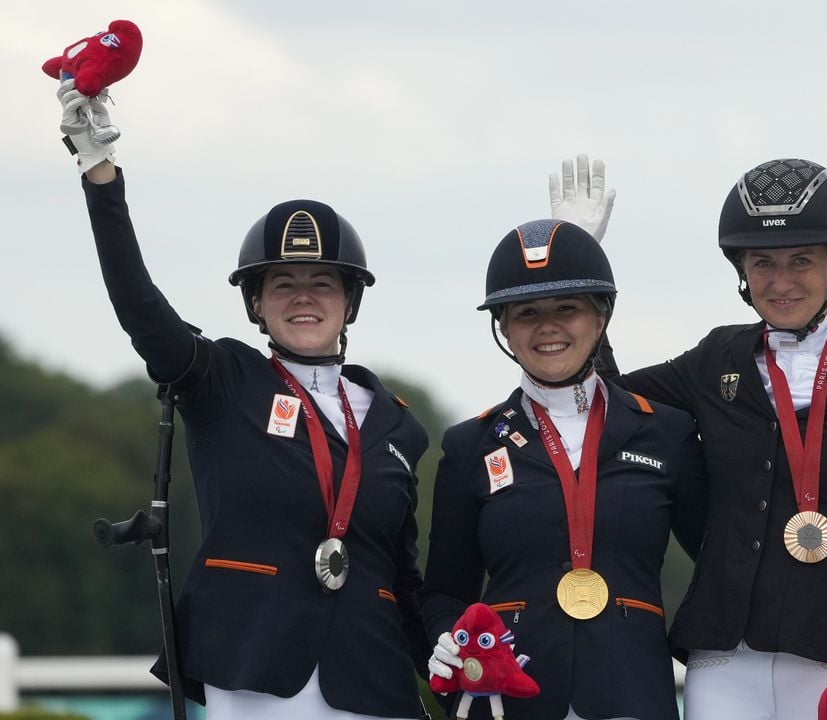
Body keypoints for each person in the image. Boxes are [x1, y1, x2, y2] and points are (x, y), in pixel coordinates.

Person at [57, 81, 431, 719]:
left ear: (351, 302)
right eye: (282, 284)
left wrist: (460, 660)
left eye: (323, 283)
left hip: (373, 679)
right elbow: (143, 311)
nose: (304, 297)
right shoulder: (225, 380)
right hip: (255, 667)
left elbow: (401, 572)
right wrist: (101, 177)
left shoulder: (398, 425)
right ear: (255, 303)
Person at [554, 156, 827, 720]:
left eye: (801, 260)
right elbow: (610, 402)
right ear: (742, 270)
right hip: (725, 660)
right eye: (762, 262)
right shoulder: (716, 358)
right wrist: (582, 269)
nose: (781, 281)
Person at [419, 218, 708, 719]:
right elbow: (445, 589)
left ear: (600, 319)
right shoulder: (470, 445)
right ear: (504, 328)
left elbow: (720, 555)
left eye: (567, 309)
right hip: (512, 696)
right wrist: (448, 637)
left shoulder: (667, 432)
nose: (548, 327)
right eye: (527, 312)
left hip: (633, 691)